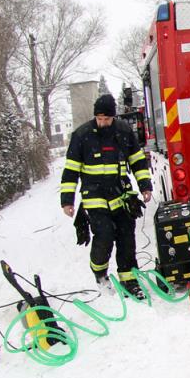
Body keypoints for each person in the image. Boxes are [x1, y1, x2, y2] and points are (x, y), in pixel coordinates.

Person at [61, 94, 151, 299]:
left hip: (121, 195)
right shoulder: (82, 135)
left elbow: (137, 161)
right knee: (104, 236)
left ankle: (130, 281)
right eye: (99, 119)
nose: (102, 123)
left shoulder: (123, 131)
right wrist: (67, 201)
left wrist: (145, 186)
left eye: (107, 119)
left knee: (126, 239)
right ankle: (100, 274)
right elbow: (71, 171)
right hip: (95, 197)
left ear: (113, 117)